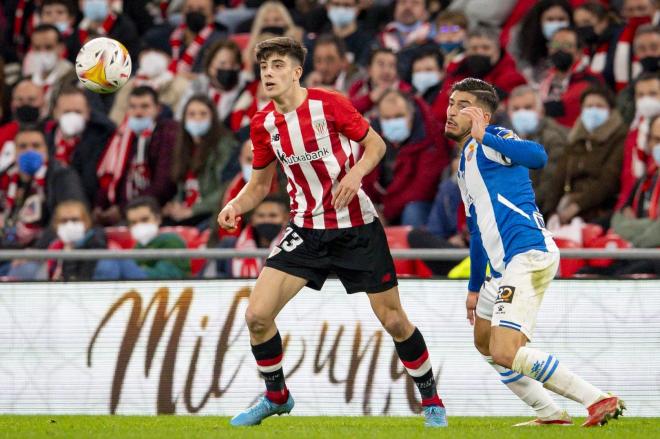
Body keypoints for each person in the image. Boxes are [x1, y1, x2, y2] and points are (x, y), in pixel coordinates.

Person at [218, 36, 447, 428]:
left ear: (296, 71)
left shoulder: (330, 104)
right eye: (263, 67)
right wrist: (234, 205)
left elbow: (375, 146)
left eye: (277, 65)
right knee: (257, 315)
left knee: (393, 320)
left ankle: (432, 401)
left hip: (356, 226)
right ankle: (277, 397)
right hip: (306, 230)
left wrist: (356, 174)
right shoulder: (263, 124)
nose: (269, 73)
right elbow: (259, 186)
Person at [444, 77, 624, 427]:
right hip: (499, 268)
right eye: (450, 103)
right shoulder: (466, 161)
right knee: (484, 343)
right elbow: (478, 231)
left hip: (527, 254)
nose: (450, 112)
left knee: (505, 350)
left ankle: (598, 399)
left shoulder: (497, 140)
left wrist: (486, 135)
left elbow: (538, 157)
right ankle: (550, 413)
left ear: (480, 114)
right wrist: (472, 287)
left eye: (460, 105)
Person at [94, 86, 178, 226]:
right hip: (121, 211)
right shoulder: (122, 137)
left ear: (158, 109)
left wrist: (123, 209)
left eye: (145, 106)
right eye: (133, 107)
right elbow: (109, 176)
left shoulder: (167, 134)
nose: (138, 112)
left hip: (152, 212)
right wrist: (100, 207)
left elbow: (163, 184)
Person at [365, 89, 449, 226]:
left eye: (399, 116)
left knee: (413, 211)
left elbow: (422, 189)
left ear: (411, 113)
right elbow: (364, 179)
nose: (393, 122)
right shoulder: (371, 137)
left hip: (418, 204)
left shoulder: (432, 137)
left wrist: (386, 211)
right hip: (384, 205)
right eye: (387, 118)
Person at [545, 85, 627, 225]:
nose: (593, 110)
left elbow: (608, 181)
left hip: (601, 209)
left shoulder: (619, 137)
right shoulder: (575, 139)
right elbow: (558, 179)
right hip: (567, 207)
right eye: (588, 106)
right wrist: (549, 213)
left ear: (611, 110)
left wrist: (576, 206)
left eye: (599, 106)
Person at [0, 125, 86, 251]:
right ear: (15, 150)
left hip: (44, 251)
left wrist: (36, 251)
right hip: (9, 249)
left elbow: (68, 215)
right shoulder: (7, 177)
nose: (29, 151)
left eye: (36, 146)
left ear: (46, 149)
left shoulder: (61, 175)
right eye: (23, 146)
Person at [164, 95, 237, 227]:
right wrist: (175, 205)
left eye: (203, 114)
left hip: (211, 213)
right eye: (192, 114)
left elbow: (226, 188)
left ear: (213, 118)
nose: (197, 118)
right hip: (189, 212)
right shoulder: (183, 147)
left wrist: (193, 210)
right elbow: (184, 186)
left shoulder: (224, 145)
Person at [506, 85, 568, 216]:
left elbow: (549, 188)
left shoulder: (553, 139)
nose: (522, 113)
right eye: (516, 109)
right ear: (509, 114)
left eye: (528, 108)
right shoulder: (506, 140)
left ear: (541, 111)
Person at [46, 85, 115, 203]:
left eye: (78, 112)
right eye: (67, 112)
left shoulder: (102, 139)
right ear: (55, 113)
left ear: (88, 113)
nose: (72, 117)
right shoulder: (45, 139)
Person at [95, 196, 191, 280]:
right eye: (133, 222)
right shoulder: (138, 246)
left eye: (144, 220)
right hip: (143, 291)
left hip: (168, 290)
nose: (139, 225)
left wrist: (133, 269)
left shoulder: (172, 240)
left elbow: (170, 275)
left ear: (158, 219)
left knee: (115, 257)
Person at [109, 41, 191, 126]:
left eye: (158, 52)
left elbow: (181, 119)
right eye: (147, 51)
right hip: (129, 134)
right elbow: (117, 116)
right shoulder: (130, 84)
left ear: (169, 58)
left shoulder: (182, 85)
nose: (151, 56)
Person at [539, 27, 603, 128]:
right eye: (555, 45)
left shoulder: (590, 80)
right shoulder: (545, 78)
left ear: (579, 52)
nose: (559, 49)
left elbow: (567, 107)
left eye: (566, 45)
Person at [177, 39, 248, 125]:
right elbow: (181, 116)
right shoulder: (198, 85)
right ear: (210, 67)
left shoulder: (245, 89)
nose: (228, 68)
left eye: (233, 64)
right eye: (223, 64)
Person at [616, 72, 660, 210]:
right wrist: (624, 207)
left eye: (652, 94)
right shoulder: (634, 131)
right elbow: (627, 176)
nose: (646, 100)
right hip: (633, 204)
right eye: (640, 95)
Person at [217, 195, 289, 278]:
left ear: (285, 218)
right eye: (261, 216)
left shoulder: (296, 247)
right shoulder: (229, 245)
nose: (266, 220)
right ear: (253, 219)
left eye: (273, 216)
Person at [511, 0, 573, 86]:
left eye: (561, 19)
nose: (556, 24)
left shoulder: (575, 44)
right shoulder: (523, 39)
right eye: (550, 19)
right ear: (539, 21)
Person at [24, 24, 76, 114]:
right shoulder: (27, 78)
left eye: (48, 47)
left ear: (61, 48)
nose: (42, 52)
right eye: (37, 48)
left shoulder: (72, 78)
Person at [573, 1, 624, 90]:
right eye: (578, 24)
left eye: (586, 22)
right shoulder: (588, 46)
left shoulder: (619, 40)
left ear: (603, 22)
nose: (582, 28)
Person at [616, 24, 660, 124]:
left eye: (654, 48)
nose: (648, 53)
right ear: (636, 53)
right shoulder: (632, 86)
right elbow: (623, 116)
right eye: (642, 49)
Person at [348, 47, 412, 115]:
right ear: (369, 69)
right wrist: (369, 99)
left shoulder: (406, 91)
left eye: (391, 65)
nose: (386, 71)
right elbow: (347, 111)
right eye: (381, 64)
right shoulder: (358, 88)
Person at [410, 46, 445, 118]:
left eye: (429, 70)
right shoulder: (409, 98)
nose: (422, 75)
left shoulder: (448, 98)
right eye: (418, 71)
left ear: (442, 72)